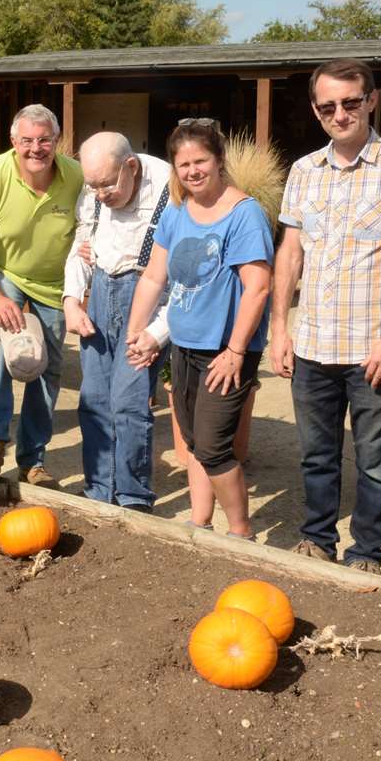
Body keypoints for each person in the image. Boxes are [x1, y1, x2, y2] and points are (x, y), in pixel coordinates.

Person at [269, 59, 381, 574]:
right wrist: (280, 328)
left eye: (349, 102)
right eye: (327, 106)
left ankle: (367, 552)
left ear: (371, 101)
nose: (339, 114)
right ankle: (318, 539)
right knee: (316, 457)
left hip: (374, 349)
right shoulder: (304, 171)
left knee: (377, 464)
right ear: (315, 110)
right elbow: (290, 254)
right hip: (314, 345)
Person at [127, 120, 273, 538]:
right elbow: (155, 277)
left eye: (200, 161)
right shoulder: (177, 210)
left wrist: (236, 351)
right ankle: (199, 523)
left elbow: (257, 288)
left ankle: (241, 532)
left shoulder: (245, 215)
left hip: (225, 350)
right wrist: (138, 333)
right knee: (191, 442)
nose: (192, 171)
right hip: (184, 344)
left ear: (219, 160)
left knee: (213, 447)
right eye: (183, 163)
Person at [0, 103, 83, 487]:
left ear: (57, 141)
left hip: (54, 279)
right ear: (13, 141)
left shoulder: (76, 177)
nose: (36, 148)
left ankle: (33, 459)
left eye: (44, 140)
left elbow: (93, 227)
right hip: (4, 270)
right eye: (27, 140)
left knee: (46, 365)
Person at [64, 132, 174, 512]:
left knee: (128, 402)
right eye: (92, 185)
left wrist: (158, 334)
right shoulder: (94, 191)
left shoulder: (169, 188)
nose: (99, 194)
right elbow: (80, 247)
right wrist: (71, 301)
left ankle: (133, 499)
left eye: (107, 184)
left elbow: (185, 280)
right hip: (100, 297)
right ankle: (99, 491)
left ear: (130, 166)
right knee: (93, 398)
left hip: (146, 303)